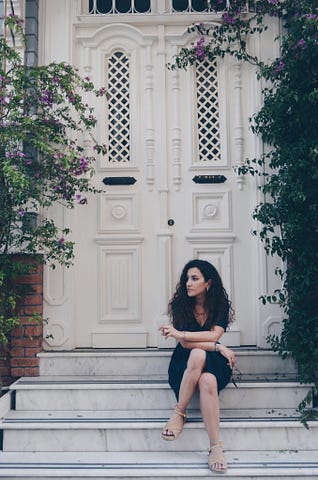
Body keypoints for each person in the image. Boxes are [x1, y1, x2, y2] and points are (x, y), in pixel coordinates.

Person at [159, 259, 236, 474]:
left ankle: (214, 447)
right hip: (184, 363)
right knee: (197, 352)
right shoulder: (180, 305)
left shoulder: (219, 304)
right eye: (187, 279)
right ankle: (180, 414)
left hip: (213, 362)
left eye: (194, 279)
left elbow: (213, 334)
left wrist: (217, 346)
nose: (188, 283)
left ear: (208, 283)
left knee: (208, 378)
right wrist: (217, 346)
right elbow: (185, 344)